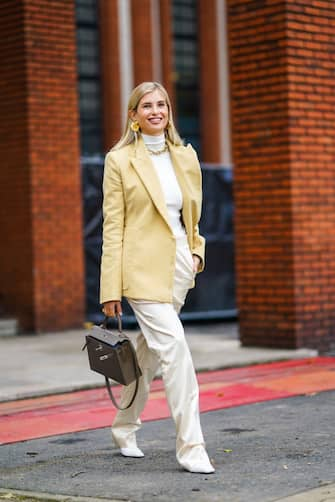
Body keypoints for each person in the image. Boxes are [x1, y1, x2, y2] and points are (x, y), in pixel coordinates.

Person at [100, 81, 215, 474]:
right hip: (142, 272)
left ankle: (124, 426)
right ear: (133, 116)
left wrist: (196, 252)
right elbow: (113, 227)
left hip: (180, 266)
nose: (155, 111)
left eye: (161, 104)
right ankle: (191, 446)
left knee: (148, 355)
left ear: (168, 111)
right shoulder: (119, 161)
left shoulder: (186, 157)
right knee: (176, 350)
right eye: (146, 105)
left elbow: (193, 216)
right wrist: (110, 288)